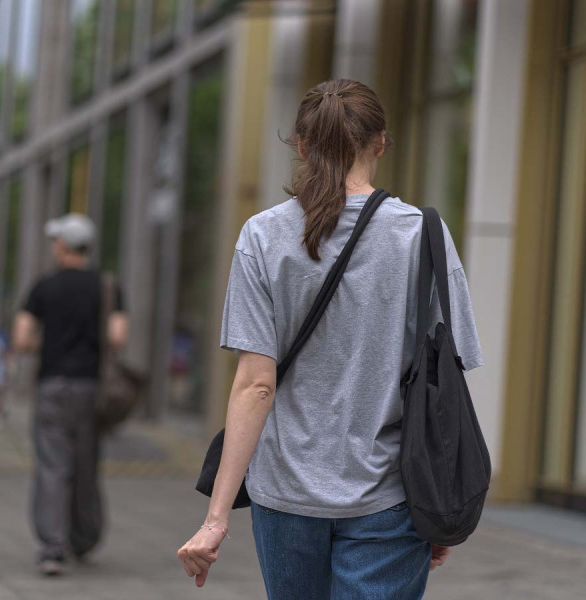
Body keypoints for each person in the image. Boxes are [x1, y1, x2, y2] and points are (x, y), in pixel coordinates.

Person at [177, 79, 484, 599]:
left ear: (301, 146)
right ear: (380, 143)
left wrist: (215, 519)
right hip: (389, 493)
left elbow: (255, 385)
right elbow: (446, 375)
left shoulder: (262, 235)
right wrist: (439, 500)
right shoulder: (421, 235)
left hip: (283, 495)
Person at [13, 213, 129, 576]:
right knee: (85, 462)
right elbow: (117, 337)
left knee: (52, 465)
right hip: (90, 388)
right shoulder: (107, 285)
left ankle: (52, 547)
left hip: (52, 385)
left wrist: (44, 343)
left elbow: (21, 339)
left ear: (63, 246)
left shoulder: (43, 286)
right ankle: (84, 537)